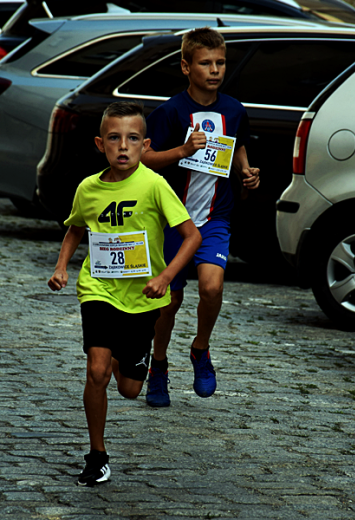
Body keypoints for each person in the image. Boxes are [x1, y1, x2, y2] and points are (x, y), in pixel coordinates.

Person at [48, 102, 201, 486]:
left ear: (145, 144)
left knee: (130, 389)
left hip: (143, 297)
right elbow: (75, 230)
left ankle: (129, 360)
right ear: (100, 143)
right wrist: (61, 266)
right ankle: (97, 455)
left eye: (132, 139)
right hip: (98, 288)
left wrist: (165, 276)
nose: (123, 146)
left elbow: (191, 237)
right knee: (96, 370)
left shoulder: (153, 184)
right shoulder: (88, 188)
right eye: (114, 138)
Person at [141, 27, 260, 407]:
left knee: (211, 288)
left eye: (220, 62)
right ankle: (158, 365)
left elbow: (237, 145)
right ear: (185, 66)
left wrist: (245, 170)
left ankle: (200, 349)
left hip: (215, 217)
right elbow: (145, 159)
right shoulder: (170, 111)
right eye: (205, 63)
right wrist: (181, 149)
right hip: (173, 221)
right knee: (168, 303)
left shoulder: (234, 109)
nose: (214, 70)